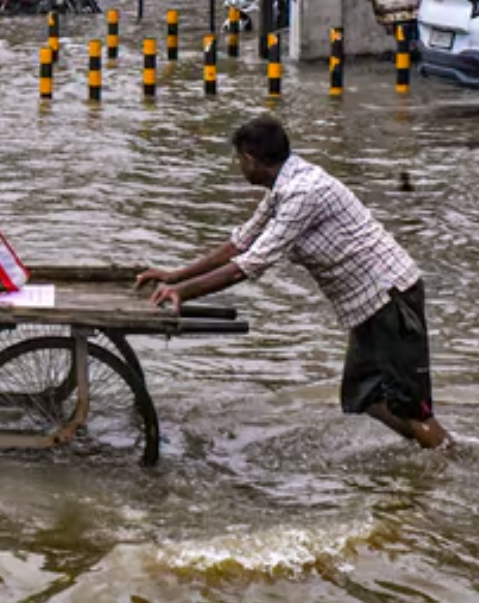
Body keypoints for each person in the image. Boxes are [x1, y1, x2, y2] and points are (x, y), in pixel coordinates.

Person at [135, 114, 450, 449]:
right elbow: (241, 242)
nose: (239, 167)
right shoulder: (282, 187)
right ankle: (427, 458)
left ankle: (446, 459)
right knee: (360, 397)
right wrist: (176, 276)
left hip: (390, 296)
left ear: (250, 160)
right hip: (368, 304)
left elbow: (249, 264)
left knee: (411, 407)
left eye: (239, 160)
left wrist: (182, 292)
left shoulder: (303, 193)